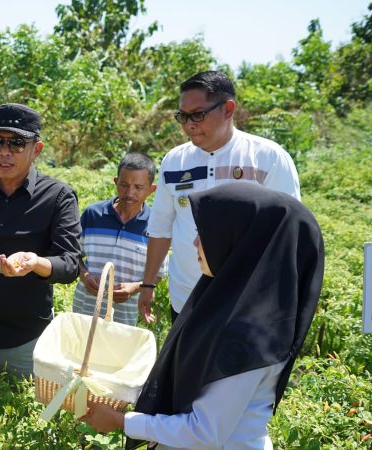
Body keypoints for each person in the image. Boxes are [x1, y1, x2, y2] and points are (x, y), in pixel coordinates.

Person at [80, 183, 324, 449]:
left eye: (206, 233)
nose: (195, 242)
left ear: (242, 241)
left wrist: (121, 421)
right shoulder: (219, 299)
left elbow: (204, 432)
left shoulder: (250, 334)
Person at [138, 70, 301, 324]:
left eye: (198, 114)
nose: (189, 124)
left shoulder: (268, 158)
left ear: (228, 108)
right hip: (186, 298)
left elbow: (288, 234)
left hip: (244, 304)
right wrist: (148, 284)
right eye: (183, 116)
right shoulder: (174, 161)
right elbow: (161, 228)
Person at [0, 103, 81, 377]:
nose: (4, 152)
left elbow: (70, 264)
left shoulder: (57, 196)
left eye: (17, 143)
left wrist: (35, 263)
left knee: (24, 413)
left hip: (26, 340)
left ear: (37, 149)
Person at [73, 152, 166, 326]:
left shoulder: (156, 227)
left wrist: (136, 288)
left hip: (123, 319)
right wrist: (85, 275)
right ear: (116, 182)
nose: (130, 193)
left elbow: (159, 273)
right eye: (124, 185)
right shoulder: (92, 215)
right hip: (84, 310)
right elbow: (73, 255)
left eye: (138, 187)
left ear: (151, 189)